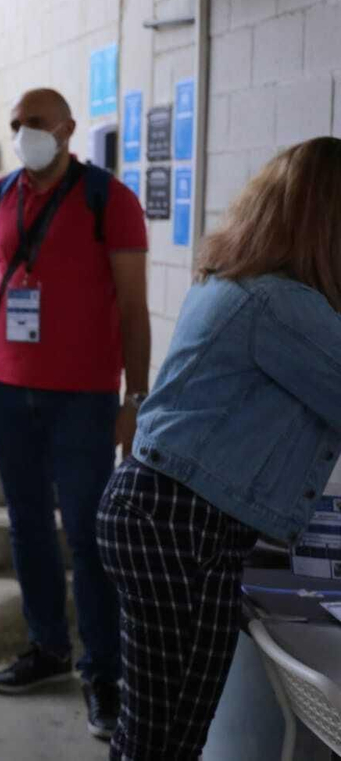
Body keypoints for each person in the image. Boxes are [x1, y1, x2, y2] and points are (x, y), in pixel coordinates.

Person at [97, 137, 341, 761]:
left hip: (166, 516)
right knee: (161, 738)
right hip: (179, 525)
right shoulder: (279, 304)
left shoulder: (242, 283)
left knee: (170, 735)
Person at [0, 87, 150, 740]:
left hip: (84, 399)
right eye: (15, 125)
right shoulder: (0, 196)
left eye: (35, 123)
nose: (23, 133)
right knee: (28, 526)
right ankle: (48, 647)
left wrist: (135, 397)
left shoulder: (106, 199)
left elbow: (133, 307)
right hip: (7, 390)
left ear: (66, 128)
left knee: (89, 534)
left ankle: (105, 671)